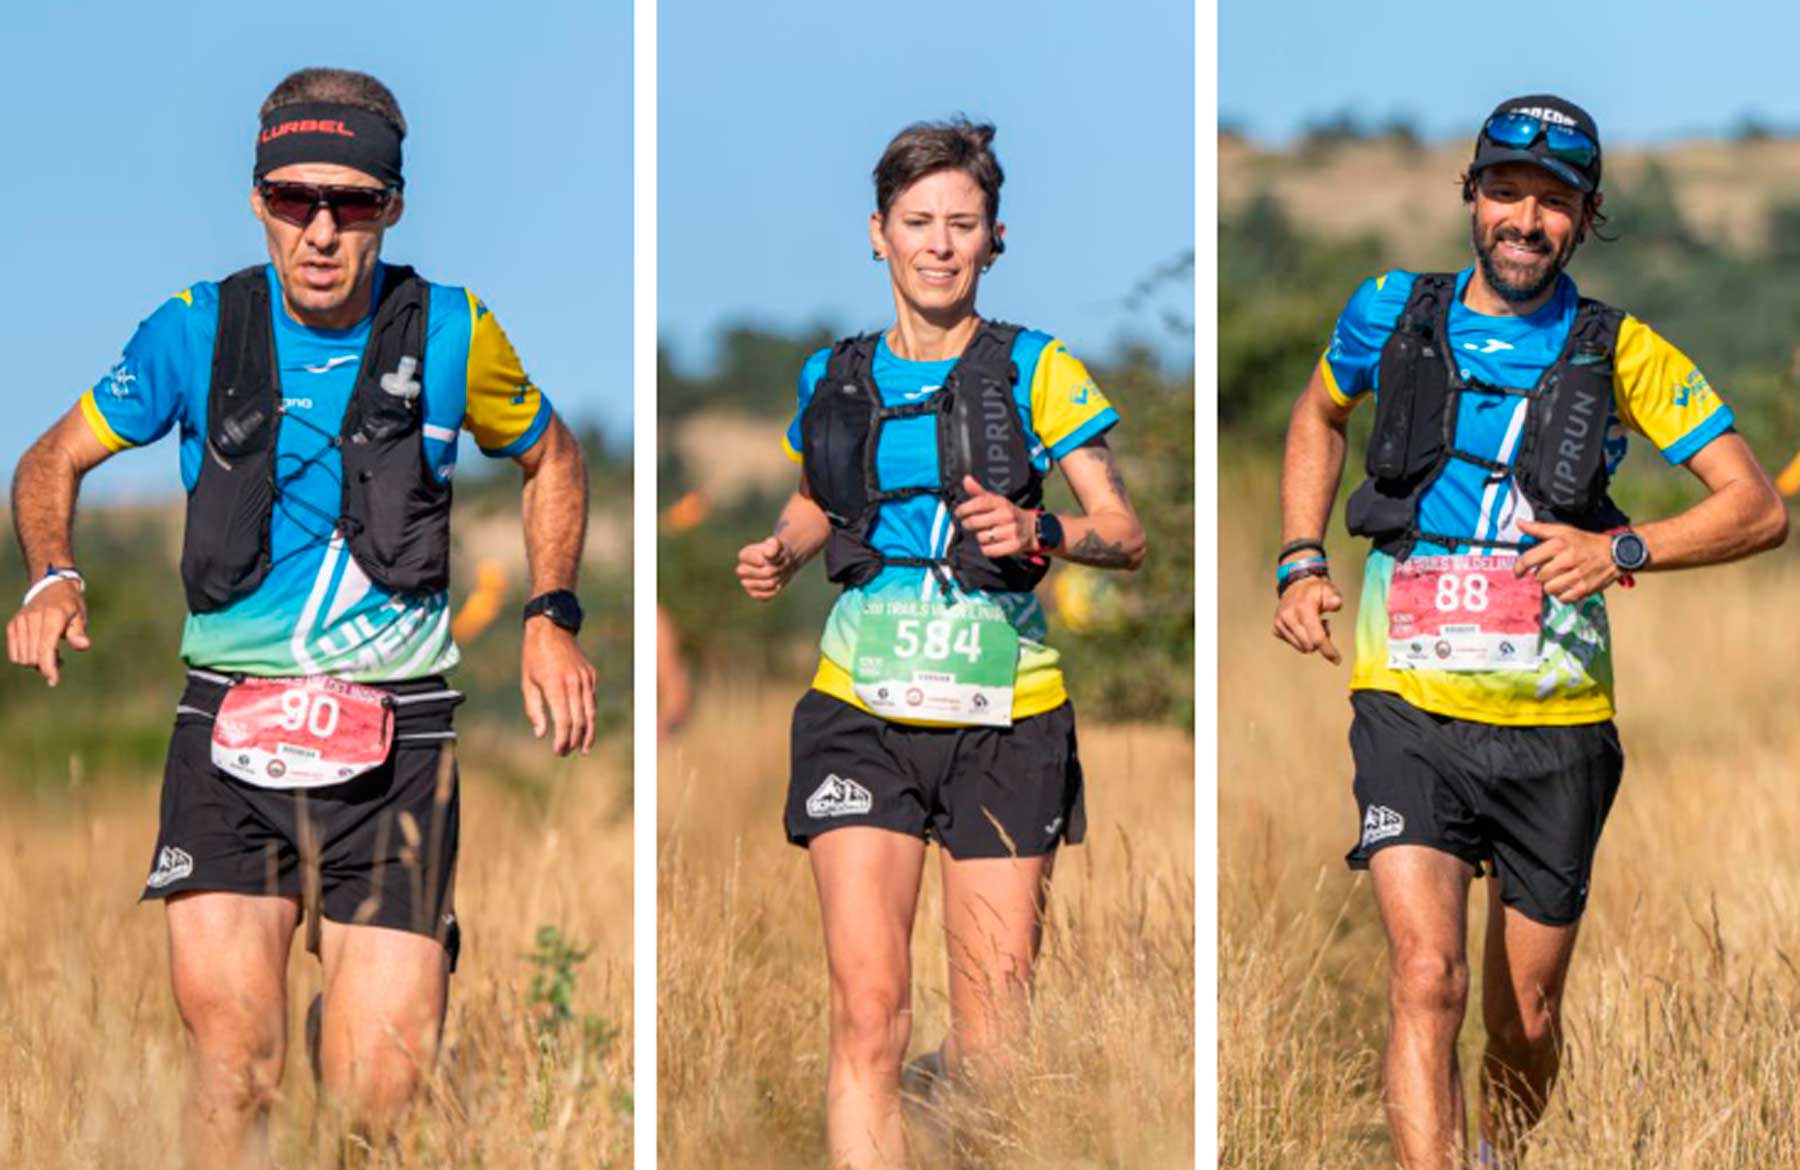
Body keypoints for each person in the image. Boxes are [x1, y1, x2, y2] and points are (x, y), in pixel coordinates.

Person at [4, 68, 598, 1166]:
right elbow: (51, 460)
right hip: (228, 730)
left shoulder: (457, 332)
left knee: (376, 1096)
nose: (322, 230)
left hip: (399, 737)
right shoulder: (193, 329)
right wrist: (53, 572)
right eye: (294, 199)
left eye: (353, 202)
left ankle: (356, 1036)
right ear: (258, 200)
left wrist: (550, 611)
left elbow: (552, 456)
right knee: (235, 1068)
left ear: (394, 206)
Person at [1273, 94, 1787, 1169]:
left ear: (1586, 218)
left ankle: (1503, 1154)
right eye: (1506, 192)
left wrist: (1624, 550)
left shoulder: (1628, 351)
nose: (1525, 219)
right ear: (1471, 194)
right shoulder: (1386, 311)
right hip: (1407, 706)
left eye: (1553, 202)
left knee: (1526, 1021)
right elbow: (1319, 413)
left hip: (1557, 727)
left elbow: (1757, 505)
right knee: (1427, 977)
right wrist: (1302, 555)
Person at [735, 118, 1147, 1169]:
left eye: (961, 224)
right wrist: (782, 550)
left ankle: (938, 1109)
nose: (938, 244)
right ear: (878, 234)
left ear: (994, 238)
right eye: (918, 222)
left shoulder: (1038, 367)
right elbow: (814, 501)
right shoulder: (832, 373)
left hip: (1006, 719)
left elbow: (1124, 533)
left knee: (995, 1044)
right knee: (868, 1014)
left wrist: (1039, 529)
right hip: (859, 714)